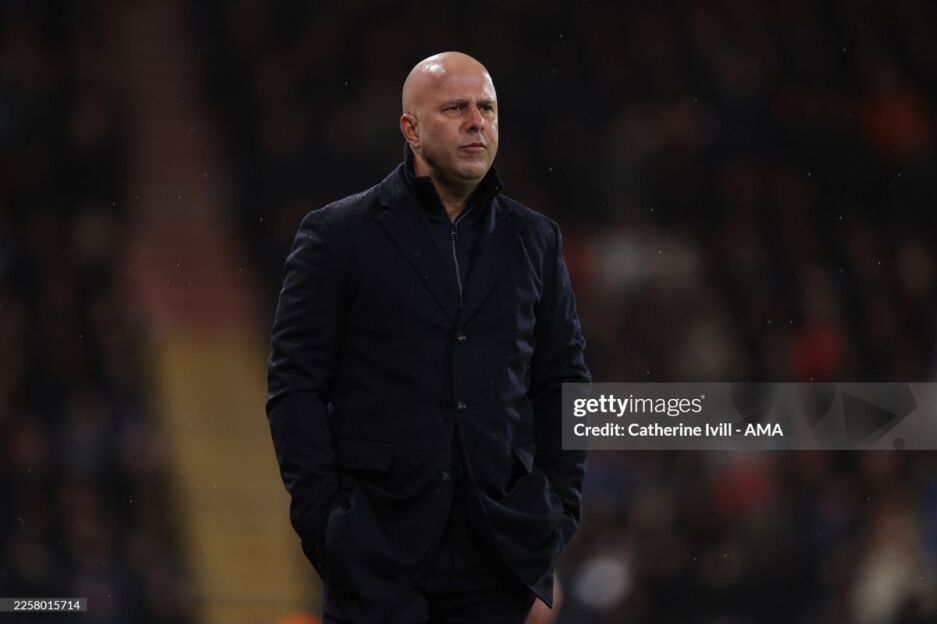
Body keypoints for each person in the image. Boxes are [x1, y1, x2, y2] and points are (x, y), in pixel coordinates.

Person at [266, 51, 589, 624]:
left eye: (487, 108)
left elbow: (563, 382)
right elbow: (295, 386)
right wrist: (325, 521)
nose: (477, 122)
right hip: (377, 553)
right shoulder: (338, 235)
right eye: (456, 108)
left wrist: (558, 509)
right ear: (411, 130)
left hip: (498, 555)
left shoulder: (535, 240)